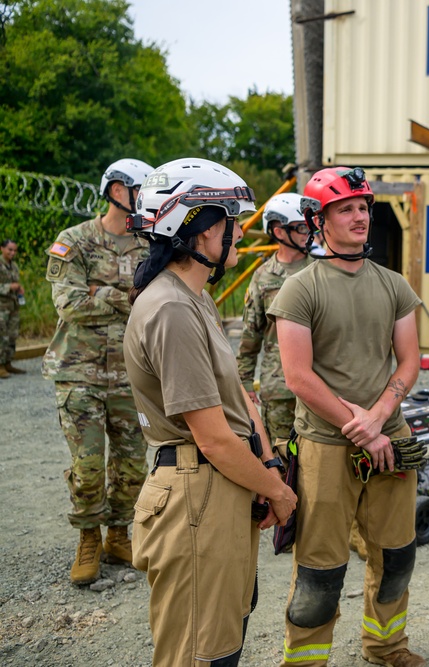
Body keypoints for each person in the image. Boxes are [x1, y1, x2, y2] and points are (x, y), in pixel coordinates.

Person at [124, 157, 297, 666]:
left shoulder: (193, 298)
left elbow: (239, 396)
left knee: (225, 633)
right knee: (201, 652)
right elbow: (215, 438)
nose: (241, 232)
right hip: (197, 495)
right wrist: (279, 492)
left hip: (220, 488)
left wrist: (265, 466)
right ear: (195, 231)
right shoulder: (172, 309)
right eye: (229, 221)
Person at [270, 166, 425, 667]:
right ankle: (306, 662)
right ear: (319, 221)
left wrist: (379, 418)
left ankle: (387, 646)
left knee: (397, 554)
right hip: (326, 446)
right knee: (320, 567)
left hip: (389, 439)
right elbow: (299, 377)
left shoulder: (394, 285)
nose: (359, 216)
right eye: (346, 209)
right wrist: (356, 426)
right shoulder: (300, 289)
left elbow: (409, 361)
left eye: (363, 207)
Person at [42, 158, 153, 585]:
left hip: (132, 374)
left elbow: (155, 301)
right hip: (80, 373)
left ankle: (119, 535)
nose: (140, 197)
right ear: (113, 190)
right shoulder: (75, 241)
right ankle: (88, 537)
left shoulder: (148, 247)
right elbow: (68, 304)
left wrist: (98, 290)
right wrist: (123, 295)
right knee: (88, 466)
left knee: (132, 466)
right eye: (134, 189)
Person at [237, 193, 315, 451]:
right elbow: (251, 336)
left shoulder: (321, 269)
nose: (308, 233)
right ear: (279, 231)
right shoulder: (263, 277)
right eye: (302, 227)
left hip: (320, 385)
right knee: (281, 456)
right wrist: (245, 382)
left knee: (317, 456)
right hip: (278, 388)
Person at [0, 239, 25, 378]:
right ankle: (0, 365)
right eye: (10, 249)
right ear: (2, 249)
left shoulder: (13, 265)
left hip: (13, 306)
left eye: (14, 250)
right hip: (1, 307)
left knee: (12, 335)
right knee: (1, 337)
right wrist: (8, 287)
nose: (12, 253)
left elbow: (14, 282)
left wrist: (19, 289)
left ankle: (8, 363)